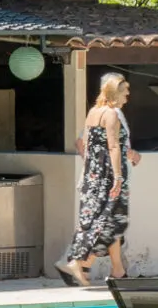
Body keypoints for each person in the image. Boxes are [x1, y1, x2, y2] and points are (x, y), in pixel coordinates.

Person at [56, 72, 141, 287]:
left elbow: (87, 145)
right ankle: (79, 262)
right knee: (110, 221)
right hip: (107, 176)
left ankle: (91, 265)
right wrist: (118, 177)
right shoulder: (111, 114)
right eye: (125, 92)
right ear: (114, 93)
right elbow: (113, 147)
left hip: (94, 175)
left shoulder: (93, 112)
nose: (127, 96)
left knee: (101, 221)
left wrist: (92, 170)